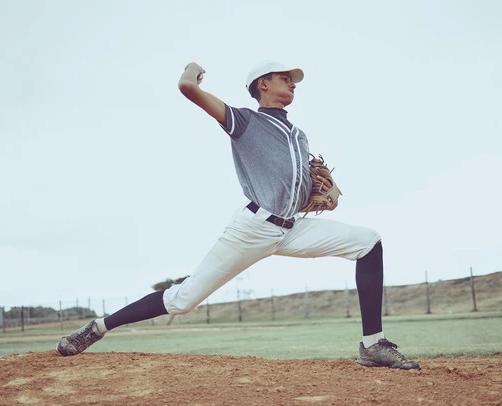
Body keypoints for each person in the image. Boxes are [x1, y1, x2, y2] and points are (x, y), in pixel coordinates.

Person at [56, 60, 420, 370]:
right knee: (183, 300)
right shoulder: (245, 121)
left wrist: (317, 197)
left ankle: (373, 344)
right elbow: (187, 87)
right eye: (284, 77)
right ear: (263, 84)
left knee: (368, 242)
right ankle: (98, 327)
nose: (292, 82)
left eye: (292, 79)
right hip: (252, 229)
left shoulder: (299, 135)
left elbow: (297, 191)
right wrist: (193, 69)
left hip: (292, 228)